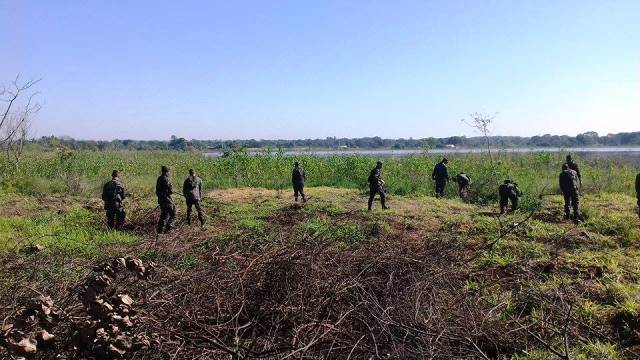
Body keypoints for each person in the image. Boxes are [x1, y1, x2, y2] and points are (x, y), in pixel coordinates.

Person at [156, 165, 176, 233]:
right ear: (167, 172)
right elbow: (171, 191)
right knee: (173, 214)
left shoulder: (159, 178)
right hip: (167, 200)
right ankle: (169, 228)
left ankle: (160, 230)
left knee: (164, 214)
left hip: (161, 200)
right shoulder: (167, 179)